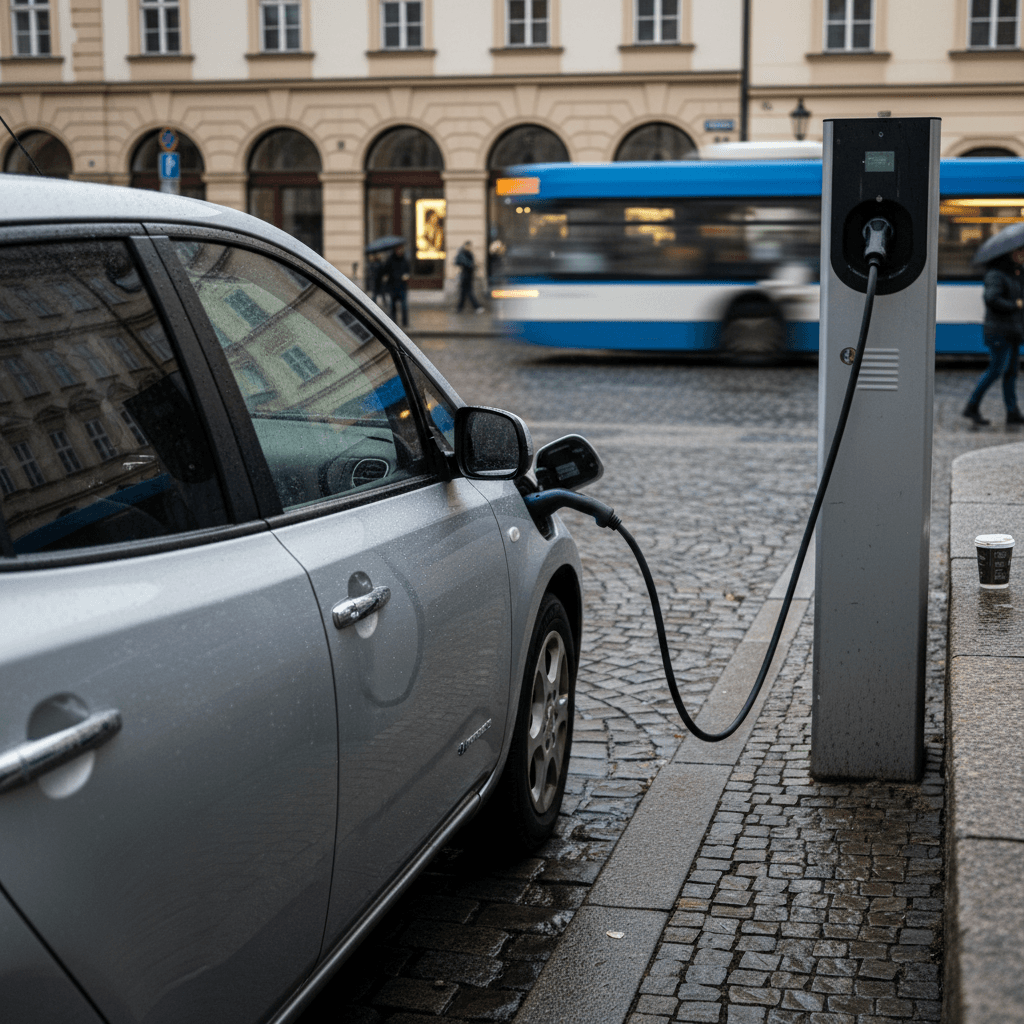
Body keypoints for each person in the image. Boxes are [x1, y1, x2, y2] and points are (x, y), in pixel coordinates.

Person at [964, 246, 1024, 426]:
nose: (1021, 255)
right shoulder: (995, 275)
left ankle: (1012, 412)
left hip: (1013, 330)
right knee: (996, 370)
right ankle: (972, 406)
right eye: (1019, 252)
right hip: (999, 331)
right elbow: (991, 298)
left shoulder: (1016, 274)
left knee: (1011, 372)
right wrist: (1015, 305)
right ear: (1008, 254)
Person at [384, 244, 411, 327]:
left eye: (401, 250)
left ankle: (405, 323)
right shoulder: (390, 260)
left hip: (402, 286)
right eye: (399, 250)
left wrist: (407, 276)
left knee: (404, 306)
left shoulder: (404, 260)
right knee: (392, 306)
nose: (400, 251)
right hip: (393, 286)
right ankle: (393, 322)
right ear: (396, 250)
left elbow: (408, 270)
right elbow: (386, 270)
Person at [454, 239, 484, 313]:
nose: (470, 247)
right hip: (466, 276)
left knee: (464, 293)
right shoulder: (464, 253)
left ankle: (459, 308)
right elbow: (467, 263)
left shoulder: (467, 253)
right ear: (466, 246)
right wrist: (473, 265)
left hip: (467, 275)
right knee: (469, 292)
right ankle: (477, 307)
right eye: (469, 246)